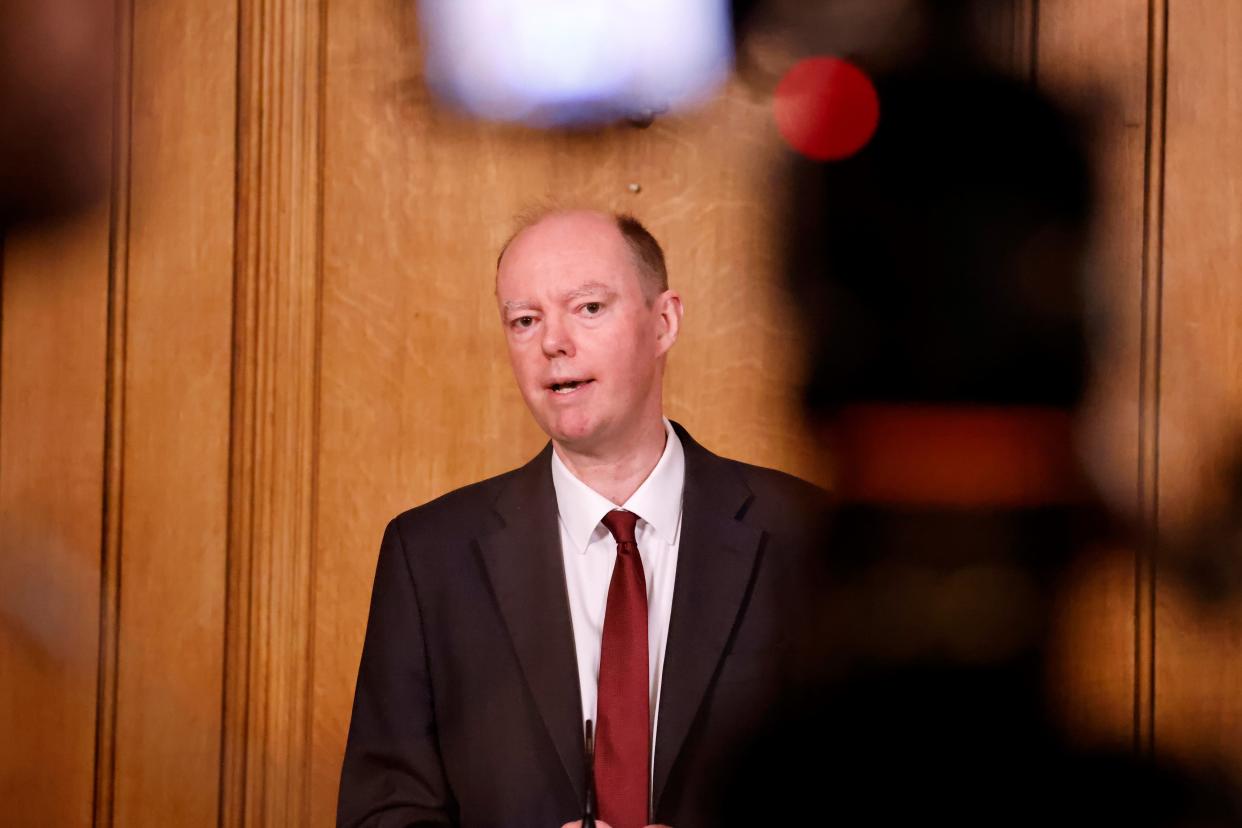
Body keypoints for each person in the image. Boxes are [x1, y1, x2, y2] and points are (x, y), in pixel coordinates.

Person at [337, 209, 823, 828]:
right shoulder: (429, 554)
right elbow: (381, 813)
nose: (552, 342)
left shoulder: (804, 536)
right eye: (525, 319)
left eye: (589, 308)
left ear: (664, 322)